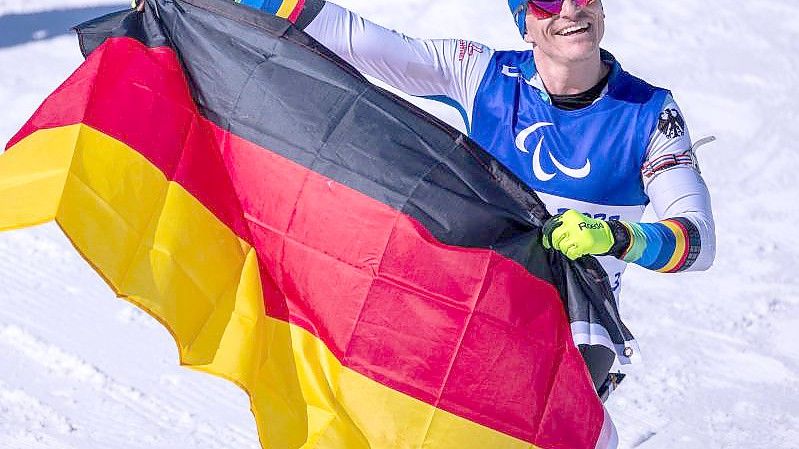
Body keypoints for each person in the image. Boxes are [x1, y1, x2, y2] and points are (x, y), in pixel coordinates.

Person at [138, 0, 716, 393]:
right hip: (479, 311)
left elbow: (698, 240)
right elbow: (353, 40)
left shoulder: (648, 113)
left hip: (574, 335)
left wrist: (618, 236)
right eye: (546, 0)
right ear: (523, 19)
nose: (570, 10)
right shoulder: (483, 78)